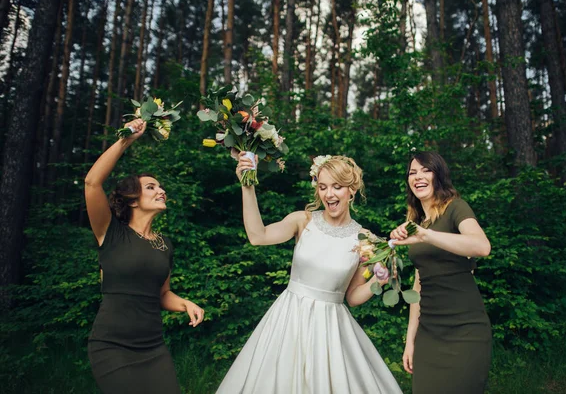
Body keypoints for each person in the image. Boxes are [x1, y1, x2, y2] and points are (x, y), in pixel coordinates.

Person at [216, 153, 403, 394]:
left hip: (330, 330)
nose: (329, 194)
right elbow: (257, 236)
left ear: (352, 191)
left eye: (337, 187)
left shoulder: (366, 240)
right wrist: (247, 185)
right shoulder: (302, 221)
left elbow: (353, 297)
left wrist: (378, 280)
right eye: (323, 187)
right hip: (288, 322)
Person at [85, 118, 205, 394]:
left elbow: (162, 294)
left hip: (153, 348)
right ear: (132, 199)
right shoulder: (111, 232)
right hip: (111, 346)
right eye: (151, 187)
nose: (161, 190)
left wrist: (185, 303)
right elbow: (92, 183)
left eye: (160, 186)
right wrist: (126, 139)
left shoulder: (165, 244)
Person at [390, 151, 492, 394]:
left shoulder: (456, 208)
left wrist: (425, 235)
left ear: (439, 175)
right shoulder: (417, 222)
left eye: (426, 170)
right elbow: (418, 285)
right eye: (412, 173)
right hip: (429, 332)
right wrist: (410, 340)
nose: (418, 176)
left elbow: (481, 246)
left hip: (466, 329)